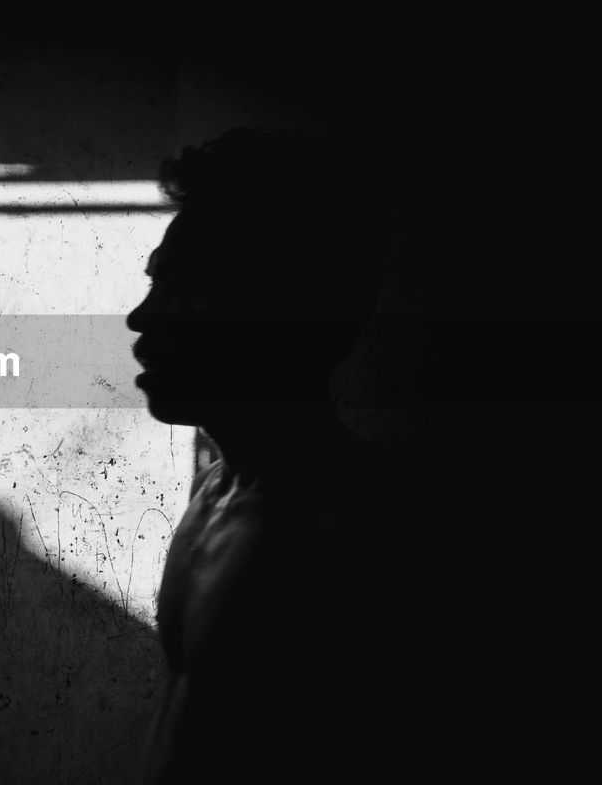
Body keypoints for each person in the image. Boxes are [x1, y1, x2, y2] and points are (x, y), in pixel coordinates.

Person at [128, 127, 413, 782]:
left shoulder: (354, 533)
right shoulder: (214, 494)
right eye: (154, 284)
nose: (141, 319)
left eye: (181, 287)